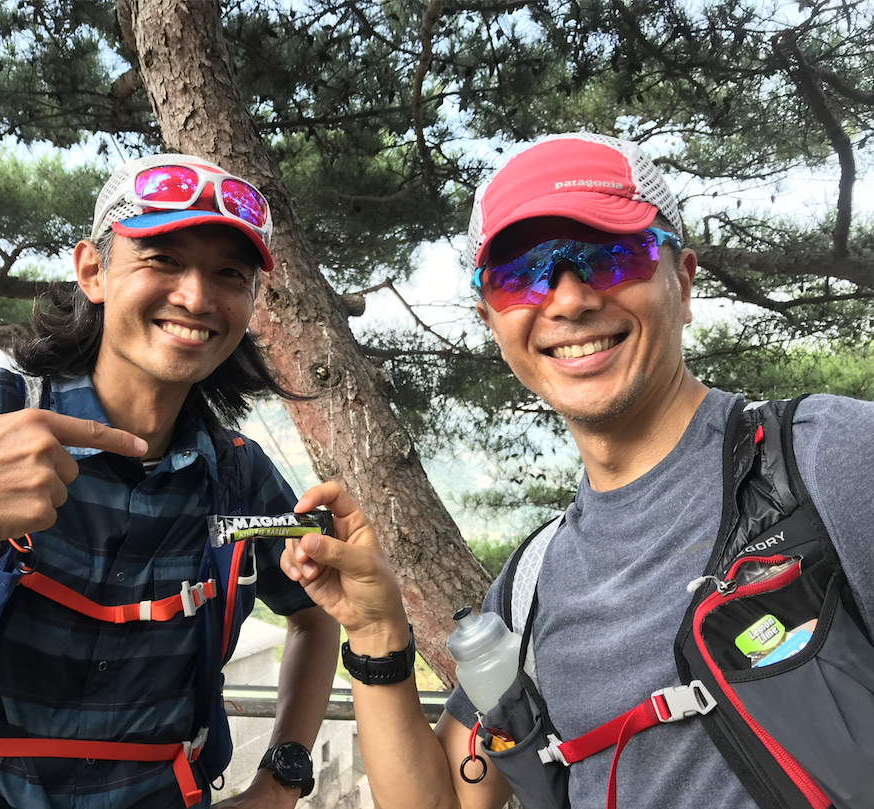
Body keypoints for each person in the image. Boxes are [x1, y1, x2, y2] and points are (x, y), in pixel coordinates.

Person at [280, 133, 874, 809]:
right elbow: (443, 801)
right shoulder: (530, 585)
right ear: (490, 320)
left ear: (683, 282)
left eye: (611, 255)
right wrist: (375, 632)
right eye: (520, 275)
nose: (567, 301)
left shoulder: (828, 461)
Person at [0, 153, 339, 809]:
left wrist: (281, 784)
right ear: (92, 271)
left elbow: (317, 612)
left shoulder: (237, 474)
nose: (196, 297)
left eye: (230, 274)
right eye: (162, 259)